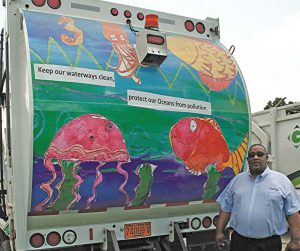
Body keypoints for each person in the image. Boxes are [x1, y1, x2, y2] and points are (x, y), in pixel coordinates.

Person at [215, 143, 300, 251]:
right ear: (248, 159)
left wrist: (296, 241)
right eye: (252, 155)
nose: (255, 157)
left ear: (266, 158)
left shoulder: (282, 181)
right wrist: (219, 232)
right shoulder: (237, 181)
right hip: (240, 243)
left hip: (269, 244)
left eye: (260, 154)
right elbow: (226, 208)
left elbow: (292, 213)